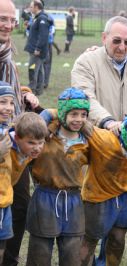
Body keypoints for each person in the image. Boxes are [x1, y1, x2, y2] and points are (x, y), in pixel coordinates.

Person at [79, 112, 127, 266]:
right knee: (90, 240)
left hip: (125, 194)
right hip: (98, 196)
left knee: (118, 238)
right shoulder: (104, 140)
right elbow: (80, 122)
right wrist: (107, 123)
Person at [23, 88, 91, 266]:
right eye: (74, 113)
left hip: (74, 200)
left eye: (83, 114)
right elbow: (24, 131)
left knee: (72, 253)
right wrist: (47, 114)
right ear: (62, 113)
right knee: (40, 252)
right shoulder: (44, 136)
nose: (79, 119)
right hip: (45, 197)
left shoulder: (89, 140)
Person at [71, 15, 127, 132]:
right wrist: (108, 122)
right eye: (117, 41)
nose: (122, 47)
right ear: (104, 38)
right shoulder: (85, 62)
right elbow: (85, 98)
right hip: (99, 141)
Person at [0, 1, 40, 264]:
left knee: (20, 204)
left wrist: (23, 93)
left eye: (11, 20)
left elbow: (7, 87)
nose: (8, 25)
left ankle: (10, 260)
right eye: (2, 19)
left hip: (15, 141)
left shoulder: (7, 53)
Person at [0, 82, 16, 264]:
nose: (8, 108)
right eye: (3, 102)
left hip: (5, 202)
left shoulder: (7, 130)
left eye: (11, 103)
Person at [25, 0, 50, 96]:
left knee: (32, 68)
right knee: (38, 70)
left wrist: (38, 49)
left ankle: (31, 89)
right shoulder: (37, 18)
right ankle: (39, 90)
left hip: (37, 51)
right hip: (34, 49)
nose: (30, 8)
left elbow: (43, 36)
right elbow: (36, 31)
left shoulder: (42, 19)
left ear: (36, 7)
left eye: (31, 7)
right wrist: (29, 26)